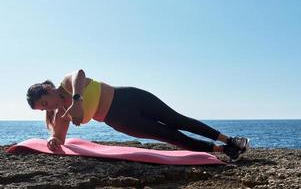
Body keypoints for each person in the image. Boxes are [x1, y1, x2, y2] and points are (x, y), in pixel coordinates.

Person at [26, 69, 250, 162]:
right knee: (170, 136)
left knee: (177, 120)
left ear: (48, 90)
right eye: (43, 109)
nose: (48, 108)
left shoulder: (67, 83)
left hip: (129, 97)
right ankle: (224, 150)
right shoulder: (61, 116)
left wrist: (77, 100)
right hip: (121, 121)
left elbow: (79, 73)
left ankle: (229, 139)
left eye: (45, 103)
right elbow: (59, 139)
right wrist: (52, 140)